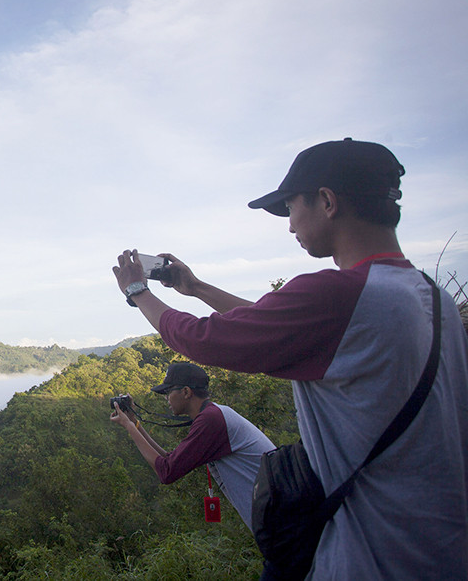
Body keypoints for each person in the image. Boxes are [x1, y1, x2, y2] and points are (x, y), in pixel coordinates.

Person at [112, 138, 468, 580]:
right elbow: (277, 322)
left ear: (327, 201)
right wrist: (198, 288)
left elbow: (201, 338)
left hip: (372, 555)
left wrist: (137, 292)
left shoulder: (336, 295)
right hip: (445, 547)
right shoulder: (434, 301)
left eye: (290, 208)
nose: (289, 226)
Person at [110, 361, 275, 531]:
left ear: (186, 392)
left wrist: (128, 427)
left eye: (168, 392)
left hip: (280, 519)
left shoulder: (211, 420)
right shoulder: (214, 413)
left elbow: (166, 472)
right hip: (277, 514)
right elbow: (169, 458)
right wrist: (134, 422)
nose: (166, 398)